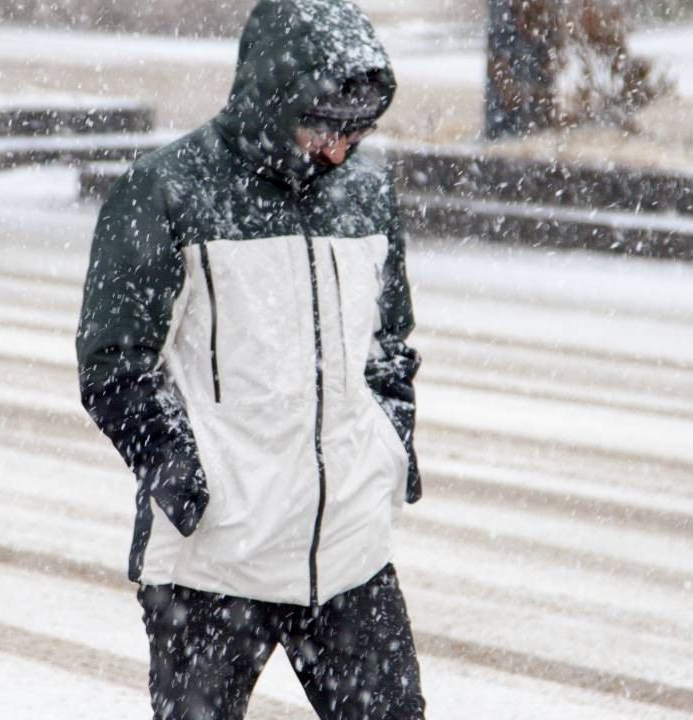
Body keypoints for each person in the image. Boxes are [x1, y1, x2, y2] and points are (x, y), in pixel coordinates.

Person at [75, 0, 425, 717]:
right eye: (320, 126)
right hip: (217, 560)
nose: (336, 150)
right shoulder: (167, 190)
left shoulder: (365, 193)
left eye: (353, 133)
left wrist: (389, 448)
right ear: (271, 97)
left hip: (348, 553)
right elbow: (113, 364)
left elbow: (389, 344)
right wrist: (190, 484)